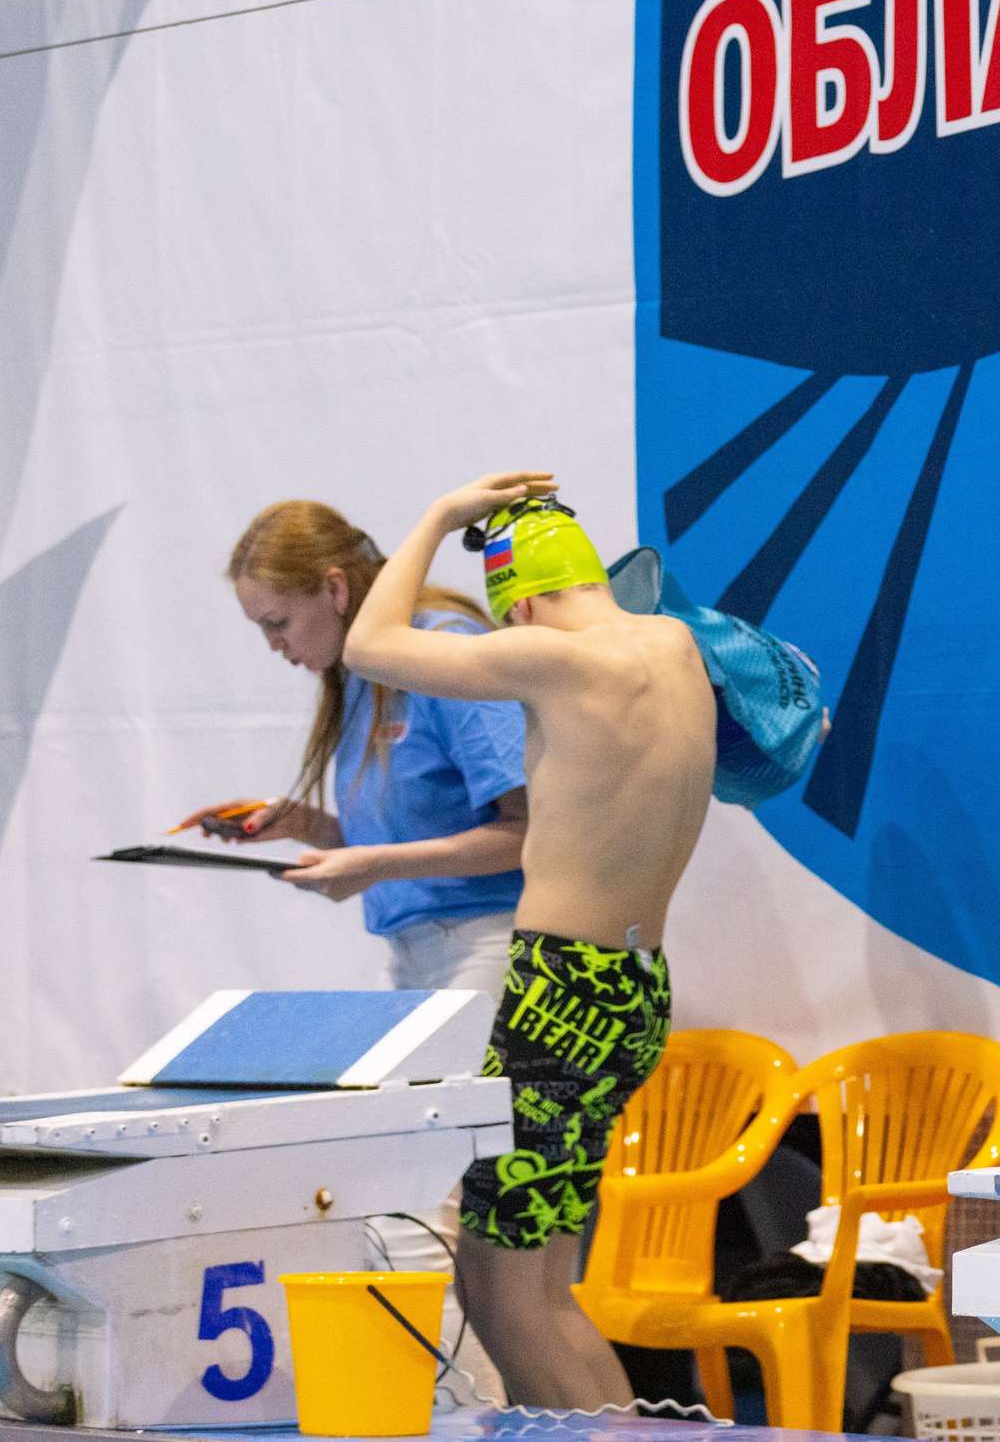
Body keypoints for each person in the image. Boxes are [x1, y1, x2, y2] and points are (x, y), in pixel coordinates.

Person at [344, 471, 717, 1412]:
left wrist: (438, 515)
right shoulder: (675, 646)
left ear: (521, 604)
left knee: (503, 1290)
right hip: (633, 988)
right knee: (548, 1289)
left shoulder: (555, 660)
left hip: (561, 997)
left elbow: (368, 644)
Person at [184, 501, 529, 998]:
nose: (273, 644)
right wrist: (310, 826)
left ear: (335, 588)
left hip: (493, 936)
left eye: (277, 621)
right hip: (411, 948)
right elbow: (417, 841)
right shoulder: (360, 677)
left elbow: (533, 834)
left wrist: (376, 865)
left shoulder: (442, 650)